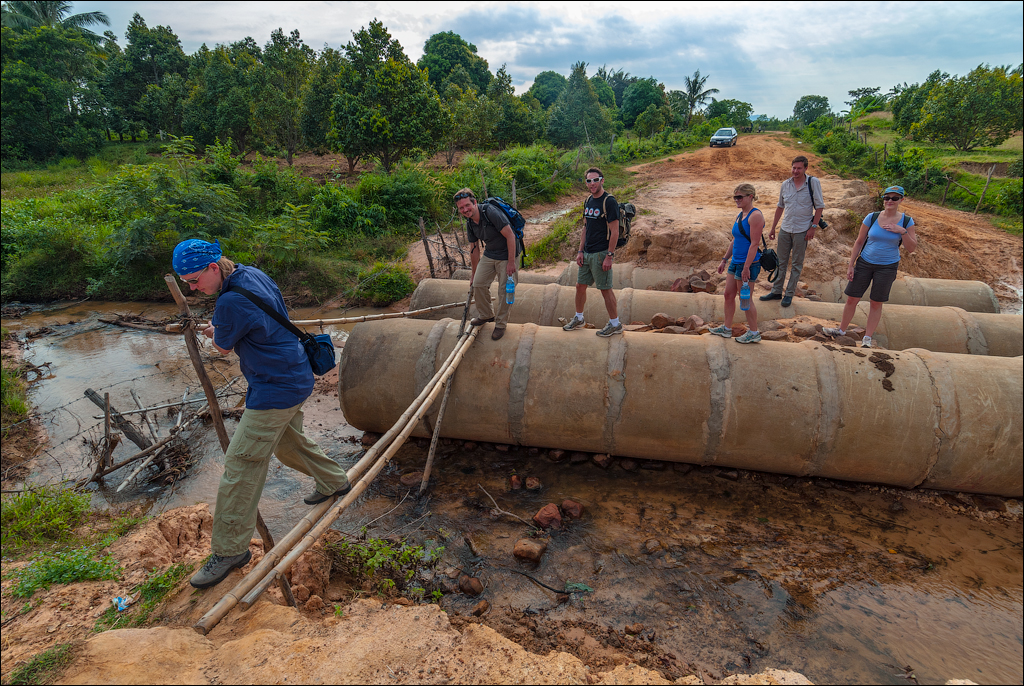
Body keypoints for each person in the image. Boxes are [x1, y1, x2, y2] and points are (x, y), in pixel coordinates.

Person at [173, 239, 351, 589]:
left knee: (240, 465)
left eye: (194, 280)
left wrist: (215, 331)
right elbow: (258, 322)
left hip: (275, 385)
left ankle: (229, 550)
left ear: (212, 267)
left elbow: (223, 346)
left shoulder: (228, 301)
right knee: (287, 442)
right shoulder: (250, 274)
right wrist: (221, 327)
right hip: (294, 373)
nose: (193, 289)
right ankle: (334, 481)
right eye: (186, 285)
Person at [823, 186, 918, 349]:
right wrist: (851, 265)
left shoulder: (906, 222)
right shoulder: (872, 217)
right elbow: (859, 241)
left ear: (901, 200)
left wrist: (902, 231)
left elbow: (912, 248)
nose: (890, 201)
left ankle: (867, 338)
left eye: (895, 198)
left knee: (876, 302)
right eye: (887, 197)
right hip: (865, 262)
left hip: (887, 266)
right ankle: (841, 330)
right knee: (852, 297)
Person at [562, 167, 622, 337]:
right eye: (589, 181)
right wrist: (580, 251)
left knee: (605, 289)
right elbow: (585, 227)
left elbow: (615, 231)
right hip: (587, 253)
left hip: (601, 253)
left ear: (602, 180)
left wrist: (609, 256)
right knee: (580, 286)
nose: (592, 183)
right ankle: (579, 318)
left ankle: (615, 323)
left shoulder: (609, 201)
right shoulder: (588, 200)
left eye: (595, 180)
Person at [455, 188, 519, 341]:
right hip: (490, 253)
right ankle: (486, 315)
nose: (465, 210)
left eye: (467, 205)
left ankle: (501, 324)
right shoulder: (470, 222)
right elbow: (474, 248)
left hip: (507, 253)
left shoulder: (490, 212)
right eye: (461, 208)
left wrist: (511, 262)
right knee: (478, 284)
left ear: (474, 203)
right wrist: (473, 274)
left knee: (505, 290)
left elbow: (510, 235)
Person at [760, 155, 824, 307]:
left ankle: (789, 294)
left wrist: (813, 228)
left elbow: (819, 207)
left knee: (796, 263)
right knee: (780, 262)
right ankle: (776, 291)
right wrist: (773, 227)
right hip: (786, 228)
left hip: (803, 229)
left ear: (805, 168)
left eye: (799, 168)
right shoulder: (785, 184)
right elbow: (780, 206)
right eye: (794, 168)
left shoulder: (813, 183)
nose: (795, 171)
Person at [710, 184, 764, 344]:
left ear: (750, 197)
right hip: (735, 262)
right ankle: (726, 328)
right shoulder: (740, 215)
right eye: (735, 197)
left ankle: (754, 332)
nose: (736, 200)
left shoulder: (755, 216)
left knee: (745, 299)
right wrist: (724, 259)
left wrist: (746, 267)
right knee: (728, 295)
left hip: (747, 264)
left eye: (740, 197)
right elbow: (735, 240)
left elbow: (754, 244)